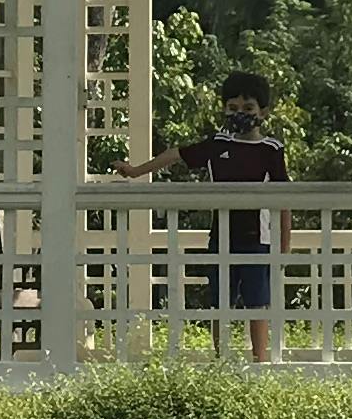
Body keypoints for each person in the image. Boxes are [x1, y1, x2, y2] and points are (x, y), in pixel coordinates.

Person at [108, 65, 292, 361]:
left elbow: (285, 198)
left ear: (263, 112)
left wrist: (285, 243)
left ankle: (261, 363)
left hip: (258, 239)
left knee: (258, 304)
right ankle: (222, 362)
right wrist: (135, 171)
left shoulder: (271, 149)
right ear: (224, 109)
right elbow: (175, 154)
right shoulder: (217, 145)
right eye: (232, 107)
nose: (240, 113)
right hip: (221, 238)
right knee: (220, 304)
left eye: (248, 107)